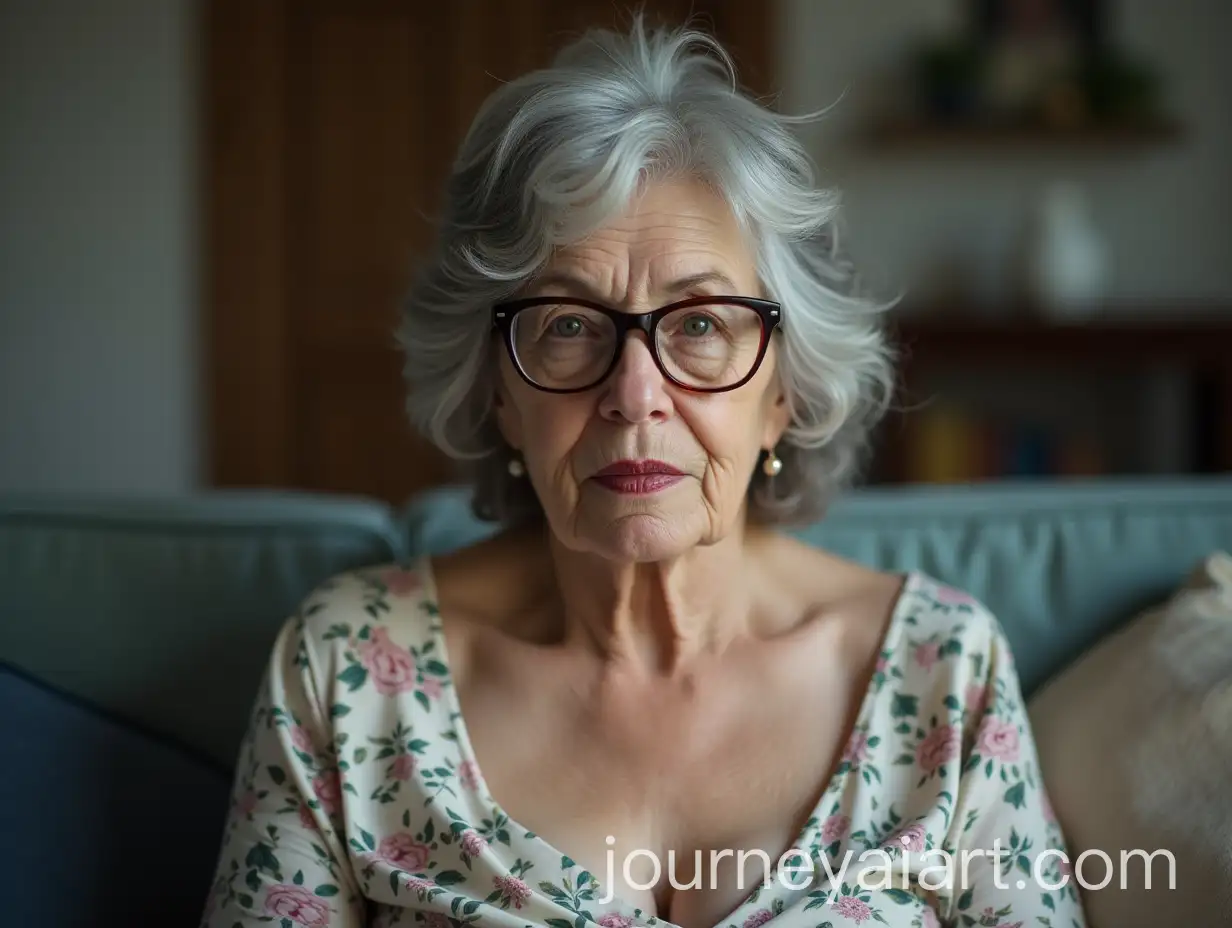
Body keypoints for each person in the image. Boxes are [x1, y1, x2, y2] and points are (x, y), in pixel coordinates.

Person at [201, 16, 1086, 928]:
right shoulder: (347, 674)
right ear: (498, 390)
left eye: (700, 324)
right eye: (569, 325)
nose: (634, 395)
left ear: (785, 389)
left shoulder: (942, 670)